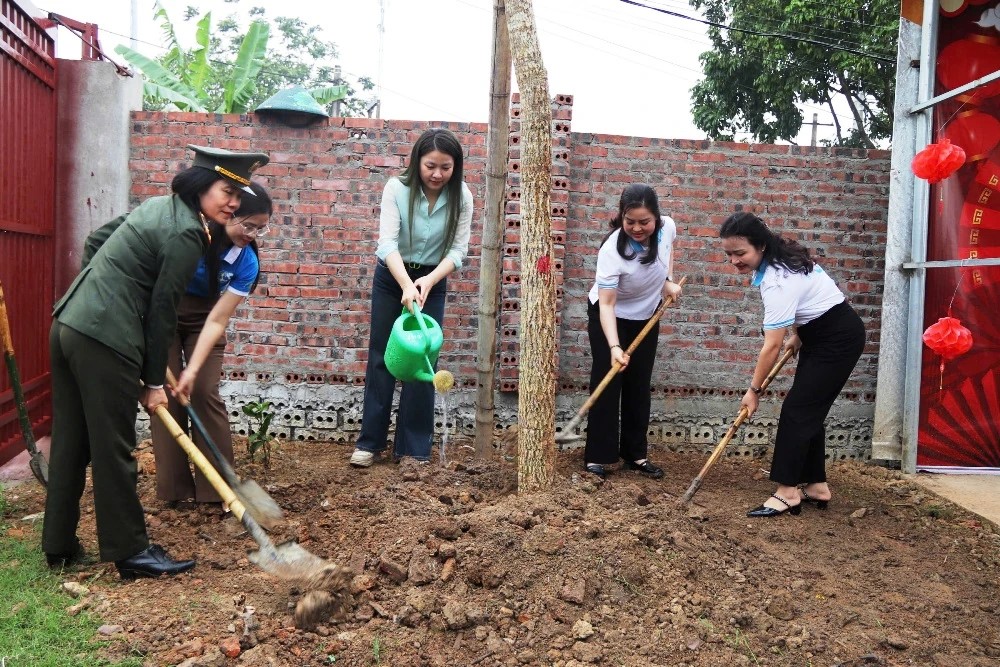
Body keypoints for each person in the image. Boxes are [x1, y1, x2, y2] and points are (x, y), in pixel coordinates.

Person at [42, 144, 269, 578]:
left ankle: (59, 545)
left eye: (239, 194)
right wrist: (152, 382)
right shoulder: (188, 233)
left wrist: (100, 293)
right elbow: (163, 312)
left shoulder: (157, 207)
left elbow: (96, 242)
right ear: (203, 184)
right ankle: (130, 553)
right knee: (113, 448)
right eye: (228, 191)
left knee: (72, 440)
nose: (235, 202)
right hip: (105, 340)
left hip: (69, 323)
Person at [719, 211, 865, 518]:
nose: (734, 260)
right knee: (808, 411)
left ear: (760, 246)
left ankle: (787, 492)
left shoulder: (776, 280)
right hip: (823, 332)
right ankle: (816, 485)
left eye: (740, 253)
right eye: (729, 254)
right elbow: (810, 299)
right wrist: (800, 333)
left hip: (836, 340)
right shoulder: (781, 258)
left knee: (797, 411)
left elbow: (771, 345)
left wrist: (754, 390)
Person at [349, 128, 473, 467]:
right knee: (383, 356)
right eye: (430, 165)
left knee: (423, 360)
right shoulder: (397, 188)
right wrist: (405, 284)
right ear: (417, 162)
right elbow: (387, 244)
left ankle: (413, 449)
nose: (437, 174)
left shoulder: (462, 197)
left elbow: (459, 250)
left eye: (445, 167)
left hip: (432, 279)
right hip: (392, 277)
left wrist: (428, 281)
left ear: (455, 167)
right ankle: (369, 443)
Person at [149, 182, 272, 506]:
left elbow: (217, 320)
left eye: (261, 228)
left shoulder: (247, 263)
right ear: (228, 215)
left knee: (204, 391)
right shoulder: (193, 240)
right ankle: (175, 491)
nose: (252, 234)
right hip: (166, 317)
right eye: (248, 225)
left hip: (206, 320)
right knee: (167, 399)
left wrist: (194, 370)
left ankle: (216, 491)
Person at [584, 184, 682, 480]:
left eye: (644, 222)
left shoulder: (667, 229)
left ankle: (635, 454)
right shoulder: (613, 251)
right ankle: (598, 456)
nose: (637, 228)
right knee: (608, 379)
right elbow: (607, 304)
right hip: (609, 317)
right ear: (621, 217)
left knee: (639, 384)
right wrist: (614, 347)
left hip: (646, 316)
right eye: (630, 222)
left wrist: (667, 282)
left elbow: (668, 252)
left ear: (656, 218)